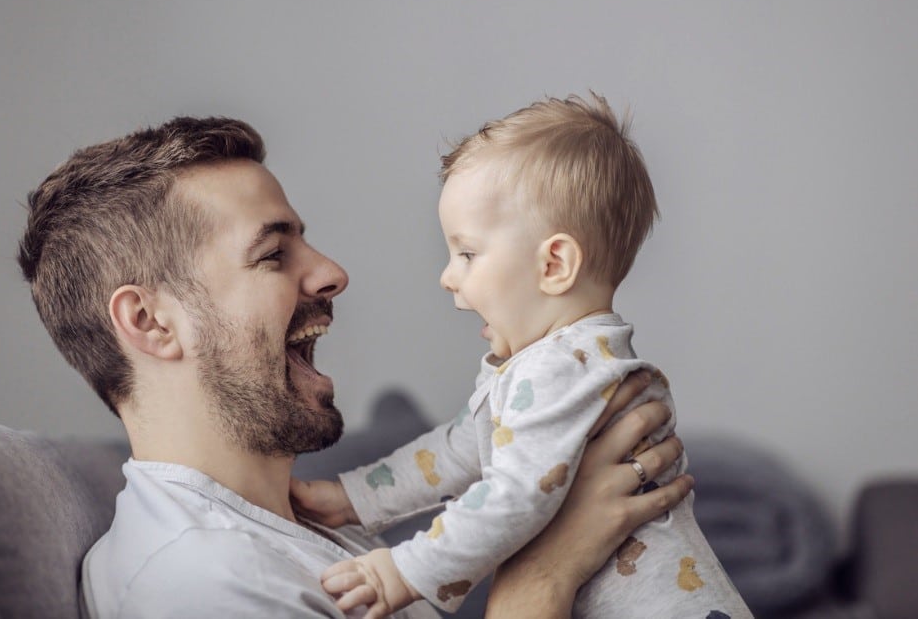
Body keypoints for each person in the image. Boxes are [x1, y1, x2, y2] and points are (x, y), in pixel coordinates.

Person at [17, 115, 694, 618]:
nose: (333, 273)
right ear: (151, 322)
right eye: (273, 255)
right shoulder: (198, 583)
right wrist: (545, 571)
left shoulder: (294, 529)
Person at [293, 94, 750, 618]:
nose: (447, 277)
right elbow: (455, 451)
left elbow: (513, 500)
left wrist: (405, 570)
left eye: (466, 253)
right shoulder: (552, 365)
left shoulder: (563, 368)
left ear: (554, 264)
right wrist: (353, 499)